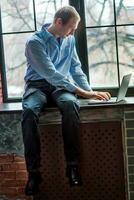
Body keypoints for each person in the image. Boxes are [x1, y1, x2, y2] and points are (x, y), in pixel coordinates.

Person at [21, 5, 111, 196]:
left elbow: (76, 69)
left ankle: (72, 167)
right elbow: (51, 74)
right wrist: (84, 93)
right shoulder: (34, 42)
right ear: (58, 22)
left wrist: (91, 92)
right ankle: (34, 174)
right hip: (37, 85)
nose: (73, 32)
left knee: (71, 104)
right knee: (28, 112)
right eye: (72, 27)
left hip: (60, 87)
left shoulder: (68, 40)